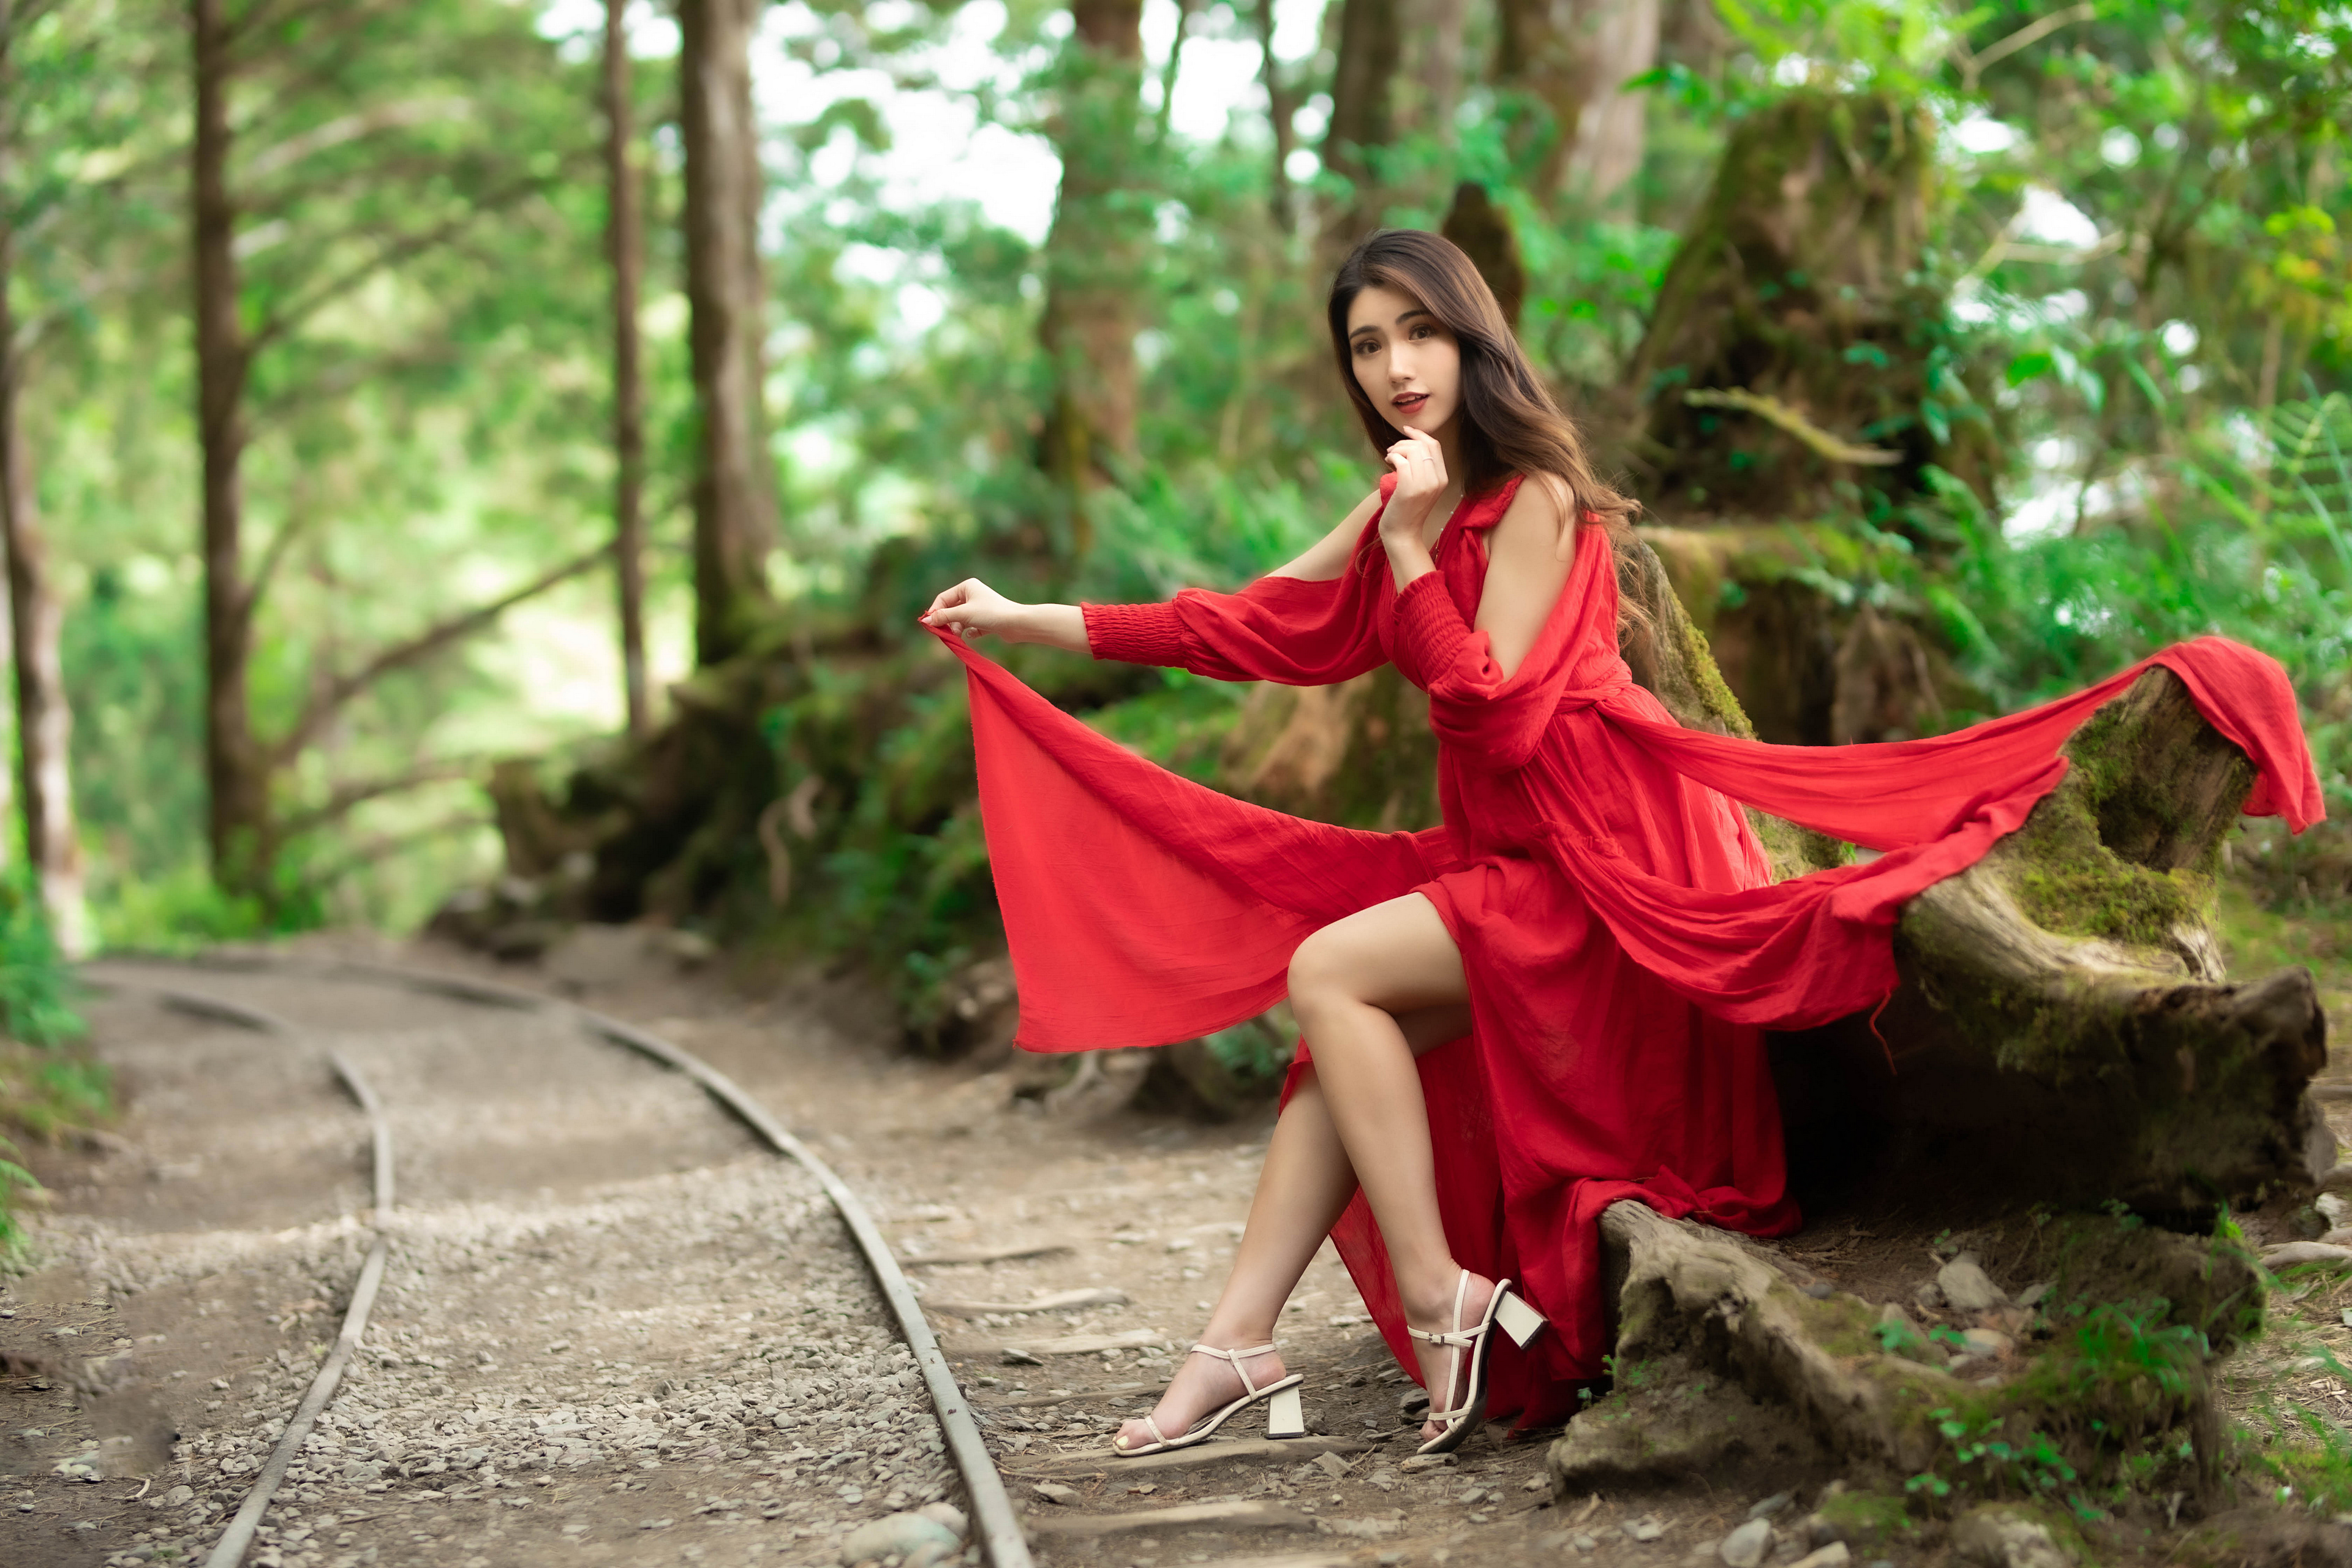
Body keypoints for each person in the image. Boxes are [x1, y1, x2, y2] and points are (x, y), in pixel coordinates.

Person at [919, 231, 2322, 1458]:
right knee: (1333, 1055)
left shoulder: (1531, 496)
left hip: (1607, 864)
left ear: (1473, 338)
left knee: (1332, 971)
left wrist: (1407, 555)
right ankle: (1235, 1345)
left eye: (1420, 330)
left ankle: (1439, 1289)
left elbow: (1495, 703)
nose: (1398, 365)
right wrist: (1028, 617)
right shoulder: (1408, 498)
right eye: (1366, 343)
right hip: (1513, 860)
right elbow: (1247, 622)